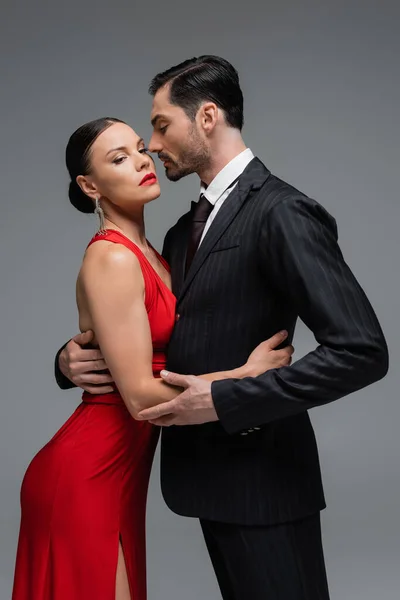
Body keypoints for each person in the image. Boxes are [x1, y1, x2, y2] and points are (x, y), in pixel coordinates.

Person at [55, 56, 389, 600]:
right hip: (205, 481)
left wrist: (231, 397)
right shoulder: (183, 231)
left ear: (206, 116)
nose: (153, 146)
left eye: (160, 127)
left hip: (268, 483)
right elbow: (157, 337)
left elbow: (363, 352)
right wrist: (67, 361)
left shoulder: (282, 212)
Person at [11, 117, 293, 600]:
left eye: (140, 148)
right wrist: (244, 376)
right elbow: (141, 397)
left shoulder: (158, 257)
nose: (142, 160)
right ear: (89, 185)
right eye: (118, 158)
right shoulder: (113, 258)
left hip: (120, 475)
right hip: (86, 474)